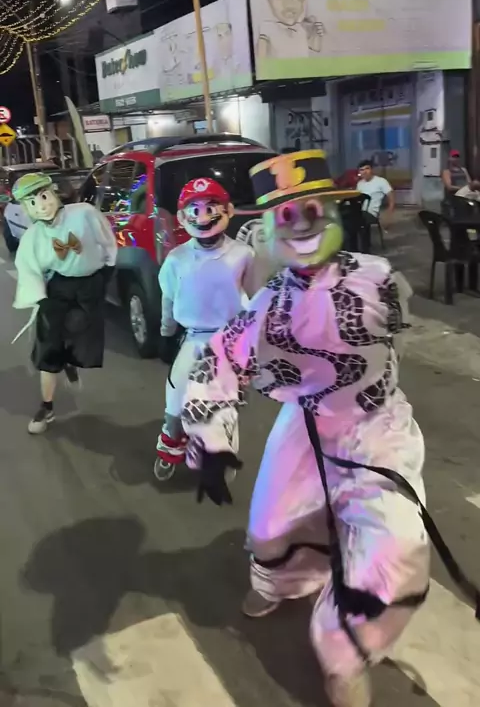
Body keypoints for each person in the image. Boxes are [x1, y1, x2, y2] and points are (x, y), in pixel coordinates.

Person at [178, 150, 435, 707]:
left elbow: (395, 334)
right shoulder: (270, 302)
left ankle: (346, 651)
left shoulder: (379, 279)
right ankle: (287, 581)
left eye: (313, 209)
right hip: (306, 425)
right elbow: (221, 357)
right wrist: (212, 439)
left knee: (395, 546)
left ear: (335, 213)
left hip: (376, 426)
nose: (301, 225)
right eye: (285, 215)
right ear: (269, 229)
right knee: (272, 524)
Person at [154, 177, 254, 481]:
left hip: (231, 341)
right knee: (176, 398)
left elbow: (256, 298)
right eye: (194, 210)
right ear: (182, 217)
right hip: (194, 339)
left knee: (226, 405)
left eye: (211, 207)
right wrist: (166, 332)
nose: (202, 216)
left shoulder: (243, 255)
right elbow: (168, 297)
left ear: (228, 210)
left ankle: (222, 454)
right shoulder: (177, 259)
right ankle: (171, 444)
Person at [12, 172, 117, 434]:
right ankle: (46, 406)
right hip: (59, 288)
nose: (41, 206)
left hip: (89, 286)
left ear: (53, 192)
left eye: (43, 196)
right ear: (26, 209)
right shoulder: (33, 237)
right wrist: (41, 299)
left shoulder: (84, 214)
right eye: (32, 203)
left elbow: (107, 239)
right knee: (48, 345)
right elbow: (28, 269)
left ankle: (69, 360)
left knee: (82, 336)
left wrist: (107, 269)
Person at [356, 159, 394, 251]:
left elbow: (391, 198)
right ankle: (352, 248)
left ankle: (364, 250)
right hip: (359, 212)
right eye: (362, 170)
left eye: (367, 169)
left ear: (372, 169)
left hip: (371, 213)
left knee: (359, 220)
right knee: (346, 219)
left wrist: (388, 216)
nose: (364, 172)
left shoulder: (381, 181)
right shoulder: (360, 184)